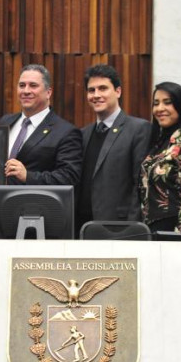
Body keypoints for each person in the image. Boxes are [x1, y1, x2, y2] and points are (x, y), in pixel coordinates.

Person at [77, 64, 151, 234]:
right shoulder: (83, 134)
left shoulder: (139, 129)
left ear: (118, 91)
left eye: (103, 88)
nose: (96, 95)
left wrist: (132, 229)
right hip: (83, 228)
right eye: (91, 90)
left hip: (119, 228)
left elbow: (139, 184)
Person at [139, 81, 181, 233]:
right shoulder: (159, 144)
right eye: (156, 103)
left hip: (177, 232)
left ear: (180, 106)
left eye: (167, 103)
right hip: (152, 230)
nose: (160, 109)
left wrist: (180, 241)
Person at [0, 64, 82, 186]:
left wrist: (28, 176)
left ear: (48, 92)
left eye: (33, 85)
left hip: (35, 203)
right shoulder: (5, 122)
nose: (26, 91)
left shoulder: (66, 132)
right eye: (22, 85)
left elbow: (68, 177)